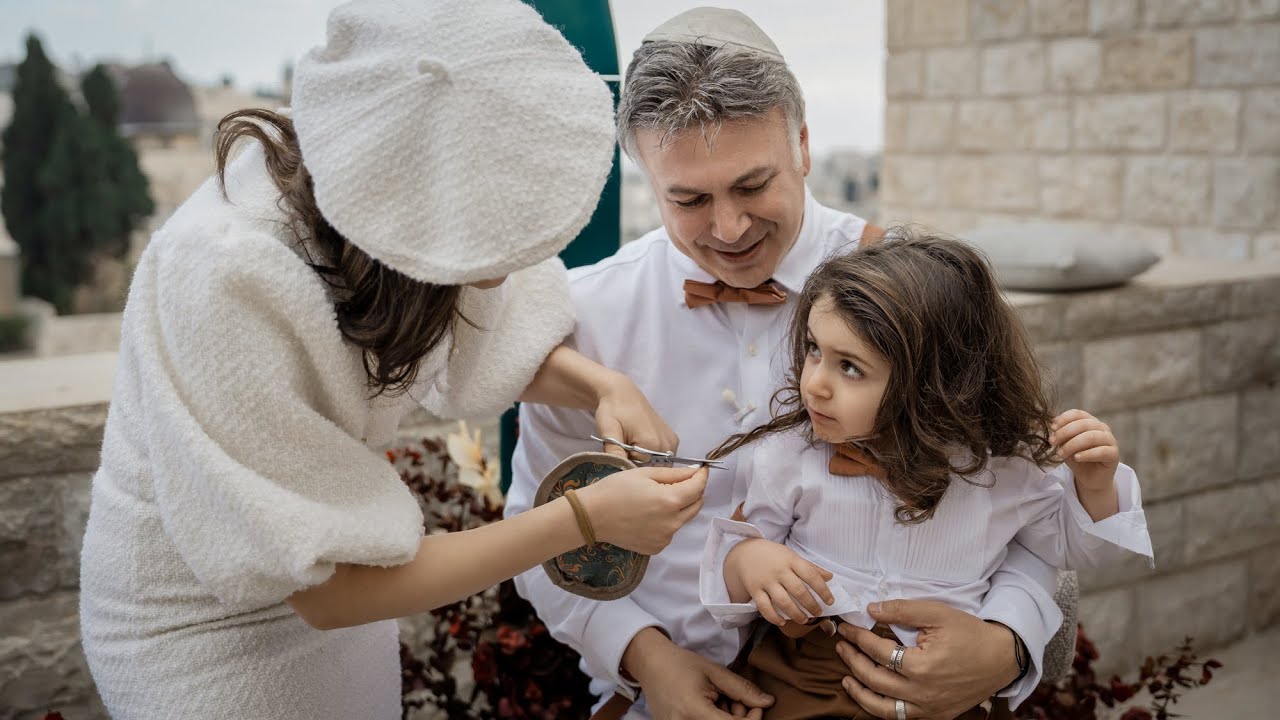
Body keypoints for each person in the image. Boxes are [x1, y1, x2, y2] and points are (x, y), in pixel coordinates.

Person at [77, 1, 708, 718]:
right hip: (202, 637)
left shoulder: (387, 173)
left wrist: (599, 386)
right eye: (494, 239)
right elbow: (332, 587)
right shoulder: (225, 279)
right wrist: (581, 521)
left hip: (342, 616)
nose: (507, 267)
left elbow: (485, 340)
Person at [506, 8, 1076, 720]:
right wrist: (645, 659)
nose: (729, 228)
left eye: (752, 186)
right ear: (647, 176)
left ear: (803, 144)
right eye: (688, 199)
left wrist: (1007, 646)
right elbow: (537, 528)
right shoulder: (587, 317)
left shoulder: (919, 290)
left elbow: (1025, 503)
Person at [699, 232, 1153, 720]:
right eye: (813, 349)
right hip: (807, 668)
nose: (814, 383)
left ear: (935, 383)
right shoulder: (791, 455)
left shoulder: (1003, 468)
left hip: (950, 684)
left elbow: (1075, 551)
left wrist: (1096, 484)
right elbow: (737, 551)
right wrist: (750, 562)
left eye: (850, 367)